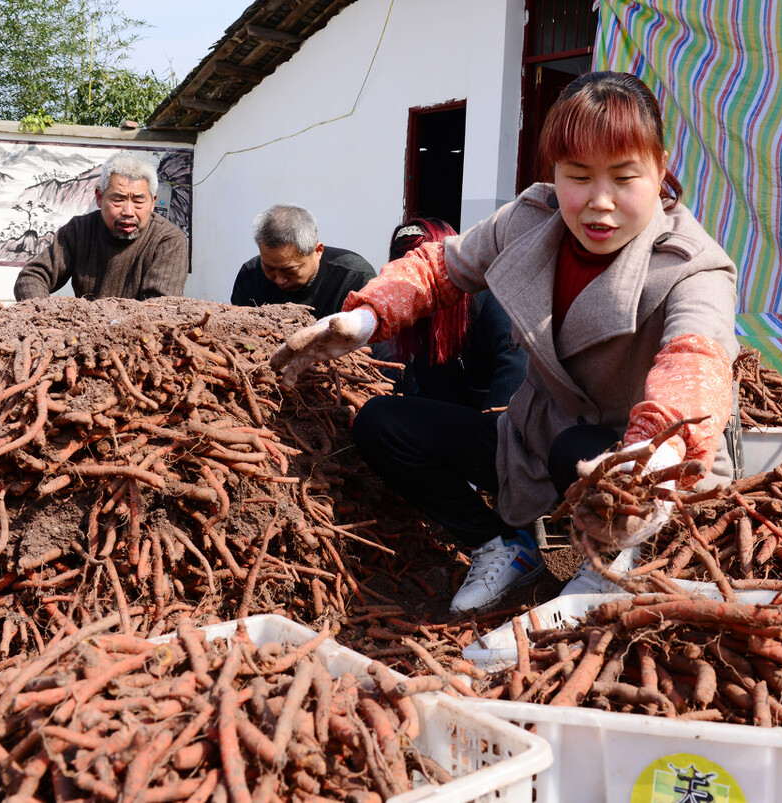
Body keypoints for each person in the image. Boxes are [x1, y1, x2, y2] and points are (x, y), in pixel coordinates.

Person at [271, 72, 738, 613]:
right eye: (579, 176)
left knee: (580, 454)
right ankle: (508, 547)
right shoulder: (532, 220)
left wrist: (654, 453)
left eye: (624, 177)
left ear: (659, 169)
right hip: (533, 437)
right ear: (554, 173)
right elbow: (440, 266)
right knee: (383, 423)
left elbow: (695, 359)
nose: (599, 203)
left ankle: (606, 565)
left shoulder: (691, 264)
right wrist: (367, 318)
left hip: (640, 471)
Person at [386, 217, 527, 411]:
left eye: (422, 275)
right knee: (386, 412)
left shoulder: (491, 290)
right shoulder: (426, 330)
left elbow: (517, 362)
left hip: (511, 426)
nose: (415, 288)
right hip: (471, 425)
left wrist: (498, 433)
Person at [14, 151, 189, 300]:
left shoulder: (169, 240)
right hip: (82, 333)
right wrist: (47, 317)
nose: (128, 211)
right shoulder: (79, 231)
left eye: (138, 201)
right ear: (99, 197)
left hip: (139, 336)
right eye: (118, 199)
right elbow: (32, 277)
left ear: (152, 203)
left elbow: (160, 306)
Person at [230, 204, 375, 320]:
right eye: (269, 268)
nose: (279, 280)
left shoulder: (354, 278)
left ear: (317, 251)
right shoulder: (250, 275)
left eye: (290, 271)